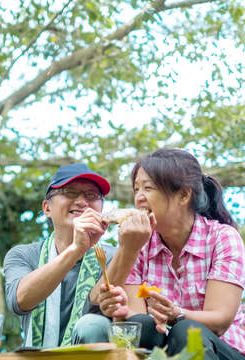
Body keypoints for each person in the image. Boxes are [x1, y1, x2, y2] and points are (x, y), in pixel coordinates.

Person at [98, 148, 245, 360]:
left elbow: (220, 321)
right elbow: (139, 321)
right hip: (164, 350)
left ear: (184, 195)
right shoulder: (138, 244)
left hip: (222, 350)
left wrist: (176, 315)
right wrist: (122, 314)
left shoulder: (222, 238)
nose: (139, 198)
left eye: (148, 188)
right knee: (142, 325)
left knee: (186, 330)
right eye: (136, 189)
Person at [3, 163, 152, 348]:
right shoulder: (23, 255)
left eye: (92, 195)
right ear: (47, 208)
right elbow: (21, 300)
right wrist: (76, 249)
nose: (82, 201)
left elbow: (98, 305)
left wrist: (129, 250)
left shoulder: (115, 256)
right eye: (70, 192)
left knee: (93, 325)